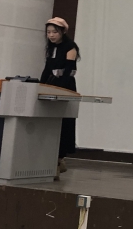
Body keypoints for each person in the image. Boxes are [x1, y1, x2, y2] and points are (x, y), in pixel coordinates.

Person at [40, 17, 80, 180]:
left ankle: (60, 157)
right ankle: (53, 159)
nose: (51, 35)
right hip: (51, 84)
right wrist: (40, 86)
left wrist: (59, 89)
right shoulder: (50, 48)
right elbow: (47, 69)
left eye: (54, 32)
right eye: (48, 32)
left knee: (64, 122)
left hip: (65, 86)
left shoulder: (70, 47)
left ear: (62, 32)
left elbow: (69, 70)